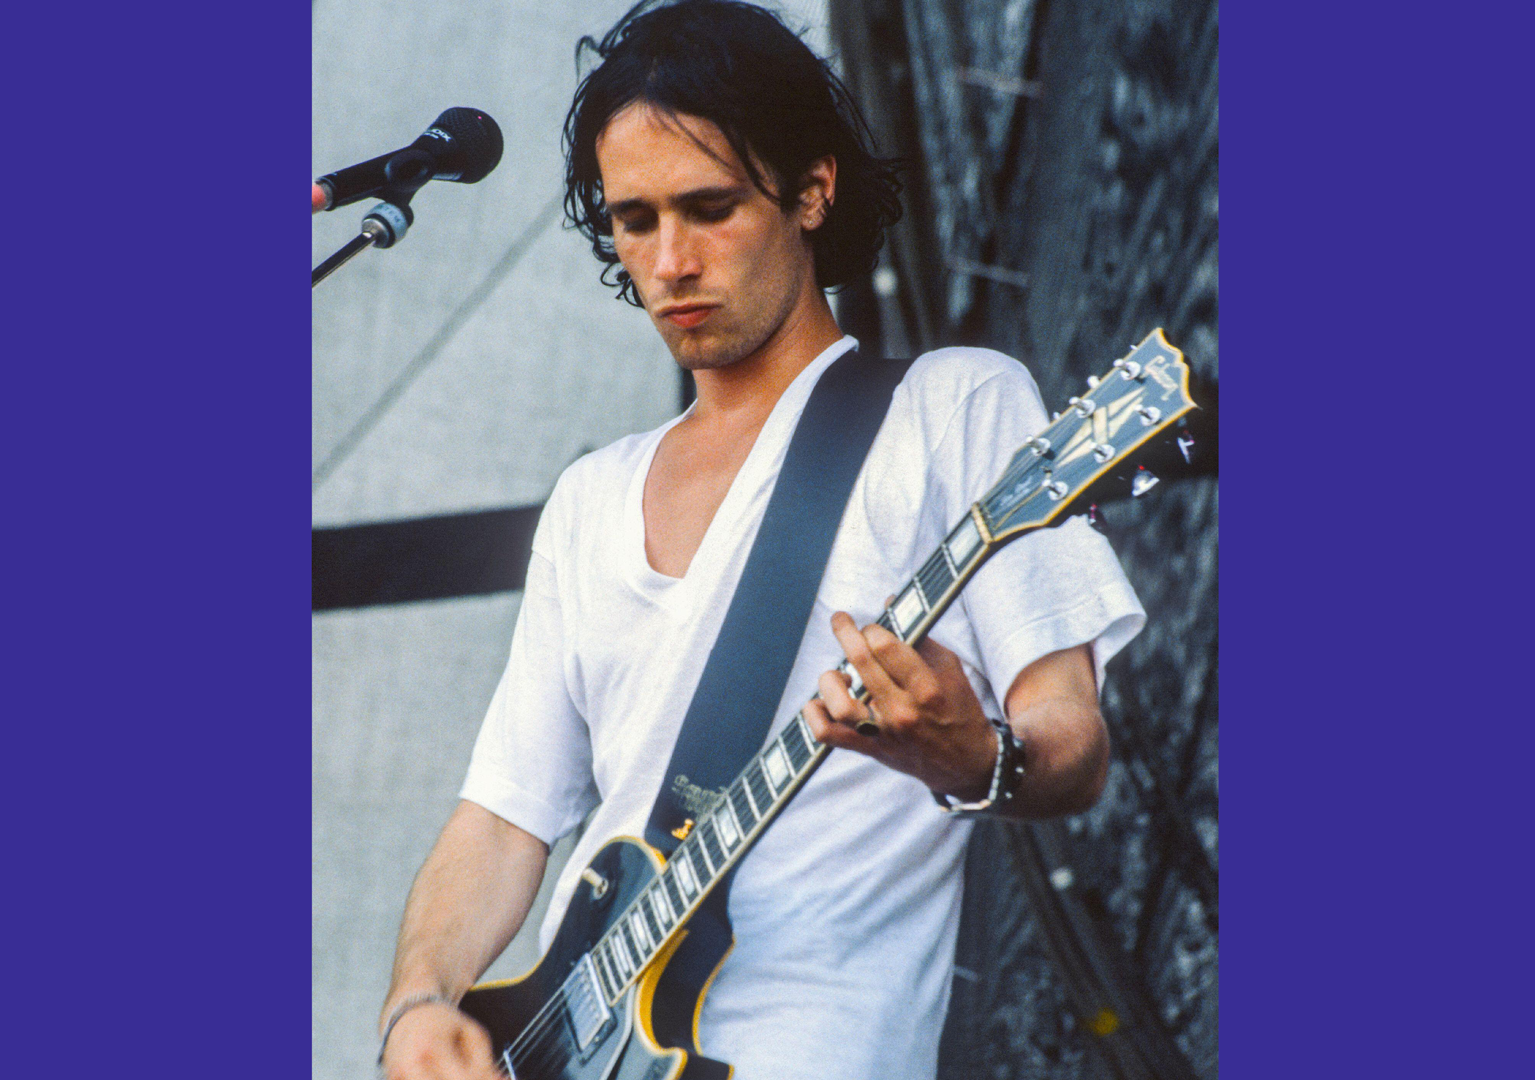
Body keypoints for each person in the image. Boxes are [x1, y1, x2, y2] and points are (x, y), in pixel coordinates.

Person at [377, 3, 1144, 1077]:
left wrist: (976, 757)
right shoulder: (590, 499)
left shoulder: (954, 408)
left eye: (709, 207)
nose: (670, 260)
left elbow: (1072, 740)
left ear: (812, 189)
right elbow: (505, 817)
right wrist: (418, 1003)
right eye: (634, 220)